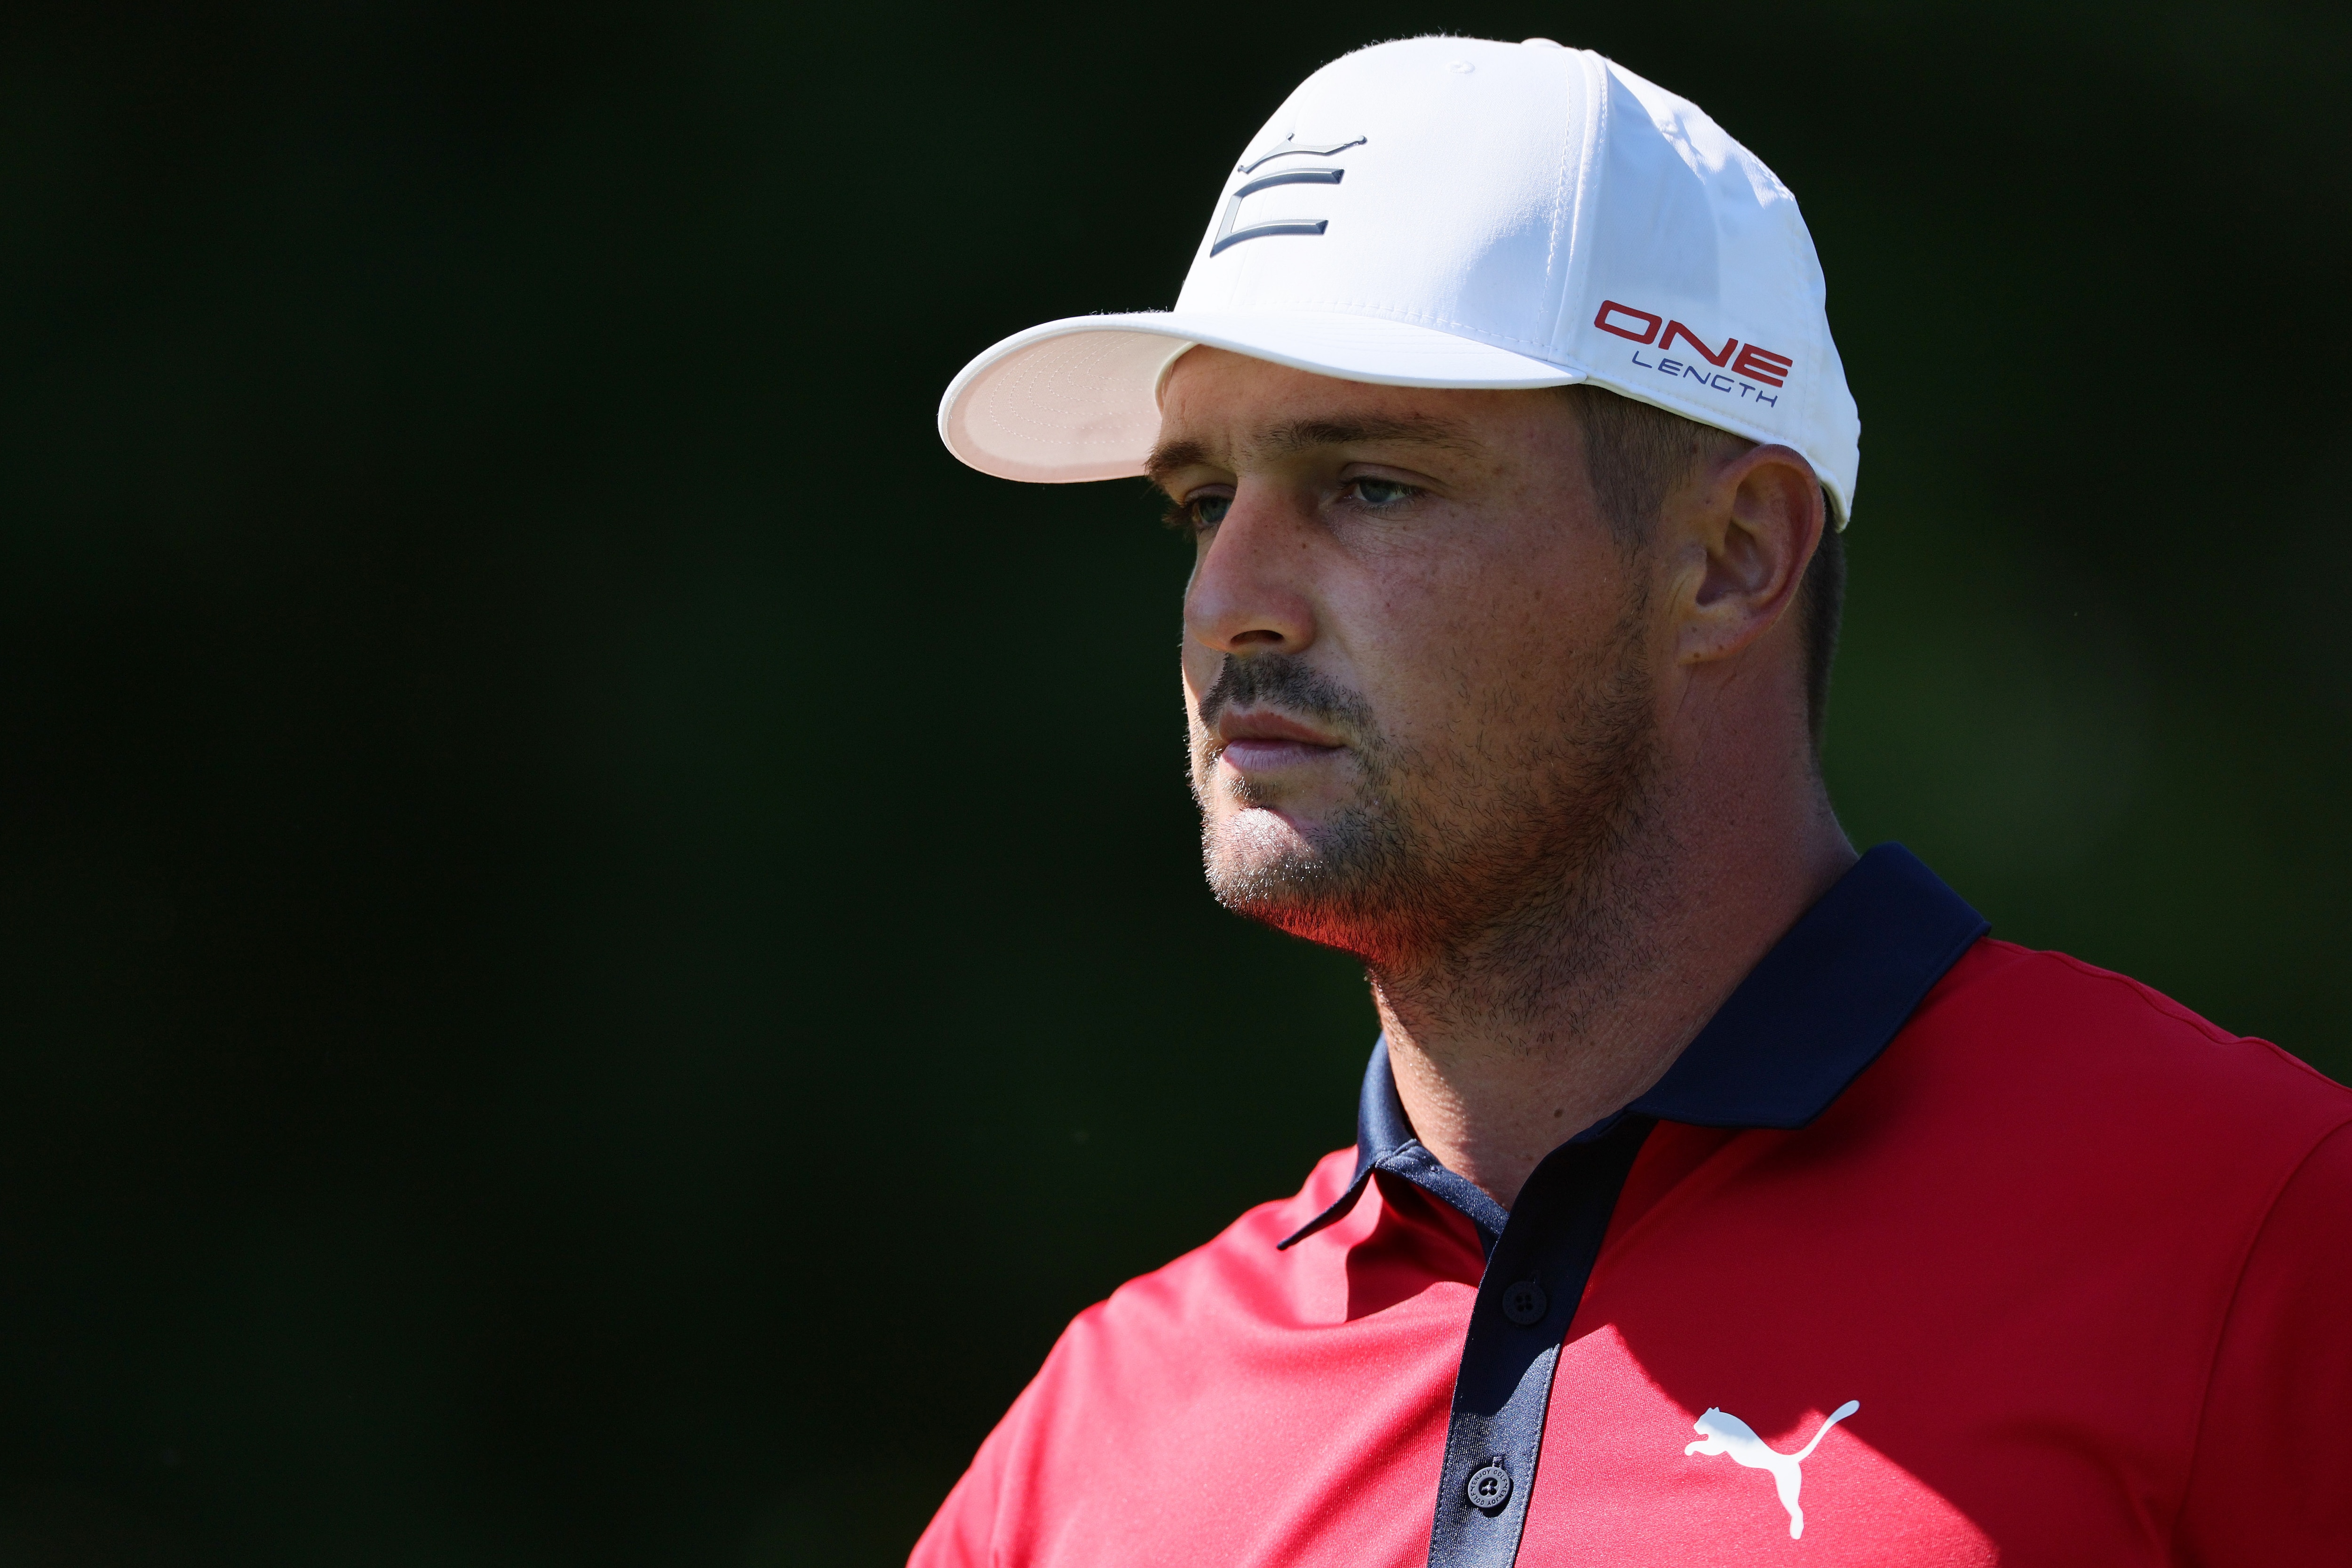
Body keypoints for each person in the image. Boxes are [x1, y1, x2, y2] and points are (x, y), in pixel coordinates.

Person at [916, 35, 2352, 1568]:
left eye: (1372, 484)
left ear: (1733, 556)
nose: (1230, 598)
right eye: (1205, 504)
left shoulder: (2260, 1234)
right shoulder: (1098, 1434)